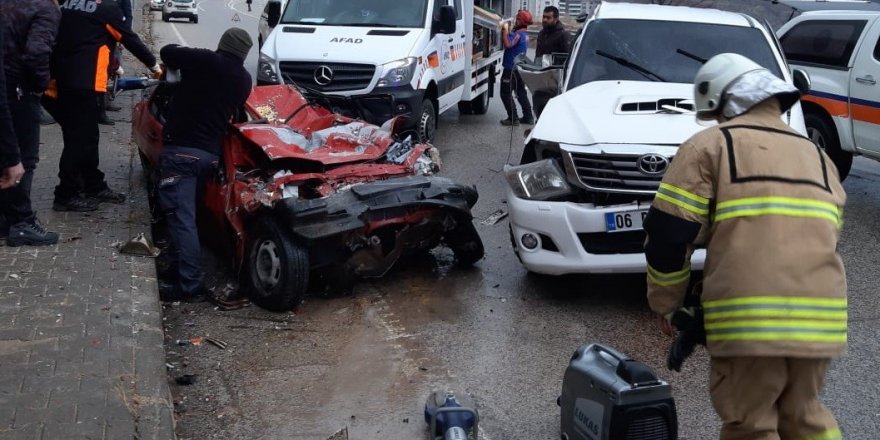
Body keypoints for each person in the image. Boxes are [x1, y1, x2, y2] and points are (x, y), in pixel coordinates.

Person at [644, 53, 846, 440]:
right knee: (805, 418)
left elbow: (668, 236)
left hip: (750, 321)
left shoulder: (709, 145)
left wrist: (668, 304)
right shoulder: (818, 157)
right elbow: (822, 234)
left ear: (723, 102)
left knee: (751, 424)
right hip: (823, 320)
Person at [157, 28, 253, 302]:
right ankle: (176, 269)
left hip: (182, 154)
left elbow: (167, 52)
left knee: (181, 218)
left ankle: (189, 284)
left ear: (222, 44)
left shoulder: (207, 61)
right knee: (185, 216)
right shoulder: (243, 80)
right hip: (208, 157)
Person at [44, 0, 162, 212]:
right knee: (79, 139)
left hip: (58, 81)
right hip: (85, 83)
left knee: (86, 136)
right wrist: (154, 67)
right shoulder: (107, 10)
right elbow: (129, 38)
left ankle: (93, 184)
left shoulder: (66, 3)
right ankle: (65, 194)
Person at [0, 0, 61, 246]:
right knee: (25, 158)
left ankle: (5, 219)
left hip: (6, 83)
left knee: (6, 151)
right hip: (18, 88)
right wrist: (39, 86)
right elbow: (37, 51)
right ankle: (22, 223)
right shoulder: (46, 8)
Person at [532, 6, 570, 119]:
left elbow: (567, 58)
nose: (544, 20)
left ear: (556, 19)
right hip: (541, 77)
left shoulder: (563, 35)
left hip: (556, 80)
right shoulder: (541, 33)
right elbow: (538, 55)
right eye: (544, 17)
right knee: (539, 106)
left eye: (548, 17)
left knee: (552, 112)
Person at [499, 9, 534, 126]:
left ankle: (513, 118)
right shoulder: (525, 34)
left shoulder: (518, 35)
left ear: (520, 21)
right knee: (520, 92)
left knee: (505, 93)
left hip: (511, 69)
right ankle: (528, 116)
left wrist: (504, 30)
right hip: (519, 68)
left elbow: (508, 44)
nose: (515, 21)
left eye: (517, 19)